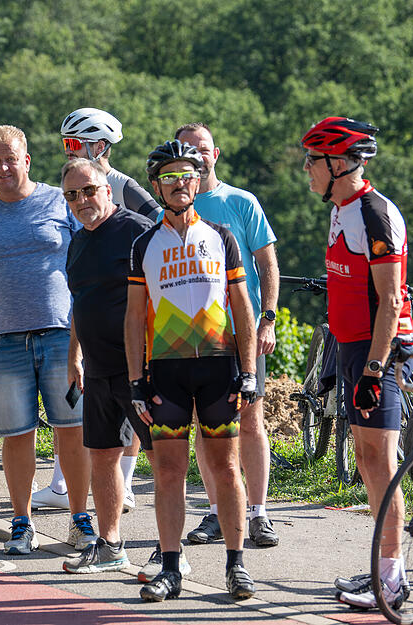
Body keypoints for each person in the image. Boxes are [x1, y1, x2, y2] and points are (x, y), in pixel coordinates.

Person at [126, 139, 257, 602]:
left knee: (224, 468)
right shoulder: (145, 242)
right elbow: (133, 315)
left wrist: (249, 369)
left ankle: (236, 564)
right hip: (166, 371)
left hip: (220, 366)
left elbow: (241, 306)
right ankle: (169, 567)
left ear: (198, 180)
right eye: (168, 177)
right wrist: (136, 379)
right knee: (167, 471)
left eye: (186, 175)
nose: (178, 184)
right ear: (156, 186)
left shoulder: (221, 236)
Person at [0, 125, 95, 555]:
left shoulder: (60, 200)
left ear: (26, 160)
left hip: (61, 336)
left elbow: (89, 260)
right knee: (17, 434)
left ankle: (80, 518)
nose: (0, 168)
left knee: (70, 430)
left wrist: (86, 335)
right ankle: (21, 522)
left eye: (9, 159)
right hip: (4, 341)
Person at [301, 117, 413, 610]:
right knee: (369, 463)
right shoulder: (343, 209)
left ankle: (392, 580)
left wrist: (374, 368)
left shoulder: (374, 213)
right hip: (352, 347)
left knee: (382, 463)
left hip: (378, 352)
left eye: (313, 160)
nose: (306, 169)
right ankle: (383, 568)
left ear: (339, 164)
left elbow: (389, 301)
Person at [38, 107, 164, 511]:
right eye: (66, 145)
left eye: (77, 144)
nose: (69, 152)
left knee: (155, 448)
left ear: (102, 147)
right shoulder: (74, 189)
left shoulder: (125, 189)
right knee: (95, 433)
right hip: (93, 338)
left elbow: (162, 240)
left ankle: (160, 533)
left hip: (136, 344)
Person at [175, 122, 281, 548]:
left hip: (242, 331)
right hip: (190, 335)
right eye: (187, 149)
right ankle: (218, 510)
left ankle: (258, 512)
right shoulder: (171, 206)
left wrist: (268, 318)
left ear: (214, 153)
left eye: (202, 149)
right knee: (206, 424)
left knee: (251, 421)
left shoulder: (241, 201)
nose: (197, 156)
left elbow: (268, 262)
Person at [59, 158, 154, 574]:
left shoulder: (137, 231)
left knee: (164, 459)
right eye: (72, 195)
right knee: (102, 457)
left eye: (89, 191)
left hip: (143, 369)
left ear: (108, 190)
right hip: (97, 369)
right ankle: (111, 543)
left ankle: (173, 553)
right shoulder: (78, 243)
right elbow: (81, 304)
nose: (81, 200)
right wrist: (73, 353)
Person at [61, 107, 162, 218]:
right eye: (66, 143)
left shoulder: (123, 186)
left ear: (99, 147)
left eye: (74, 143)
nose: (68, 150)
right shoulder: (69, 188)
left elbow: (162, 222)